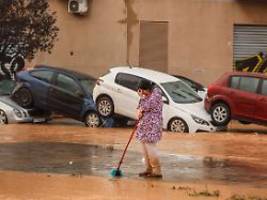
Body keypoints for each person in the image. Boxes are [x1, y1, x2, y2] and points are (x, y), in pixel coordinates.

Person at [136, 79, 163, 178]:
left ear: (147, 89)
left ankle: (157, 170)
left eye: (143, 91)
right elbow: (140, 107)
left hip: (152, 126)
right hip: (144, 125)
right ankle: (148, 169)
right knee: (144, 148)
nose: (143, 93)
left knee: (151, 147)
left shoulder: (156, 95)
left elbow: (147, 105)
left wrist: (142, 98)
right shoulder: (146, 96)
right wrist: (138, 111)